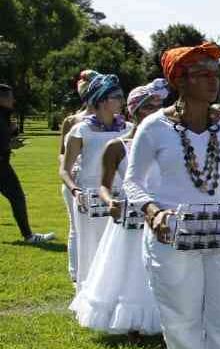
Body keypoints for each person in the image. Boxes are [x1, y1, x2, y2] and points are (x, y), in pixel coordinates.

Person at [124, 42, 220, 349]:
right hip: (171, 236)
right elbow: (132, 181)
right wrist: (153, 211)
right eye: (202, 74)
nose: (213, 81)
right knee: (181, 319)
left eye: (215, 73)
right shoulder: (154, 126)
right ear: (179, 80)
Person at [69, 79, 168, 336]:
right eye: (148, 108)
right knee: (127, 269)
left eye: (159, 108)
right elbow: (104, 184)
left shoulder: (168, 145)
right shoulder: (117, 146)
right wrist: (109, 200)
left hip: (160, 215)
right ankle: (130, 319)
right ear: (134, 111)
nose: (155, 114)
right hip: (128, 216)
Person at [61, 73, 129, 288]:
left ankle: (115, 288)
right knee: (90, 244)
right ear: (101, 100)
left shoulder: (129, 129)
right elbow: (65, 170)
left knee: (118, 244)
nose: (121, 101)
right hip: (88, 195)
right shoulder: (80, 130)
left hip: (119, 195)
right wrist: (75, 191)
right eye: (116, 96)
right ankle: (88, 288)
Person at [0, 84, 55, 244]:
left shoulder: (4, 115)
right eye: (10, 97)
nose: (14, 100)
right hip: (1, 167)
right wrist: (9, 145)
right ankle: (29, 236)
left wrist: (13, 131)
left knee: (17, 197)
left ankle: (28, 235)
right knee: (17, 197)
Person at [58, 71, 97, 275]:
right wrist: (71, 175)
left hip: (100, 180)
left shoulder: (114, 120)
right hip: (76, 180)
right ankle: (75, 272)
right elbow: (62, 155)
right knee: (75, 227)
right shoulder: (72, 121)